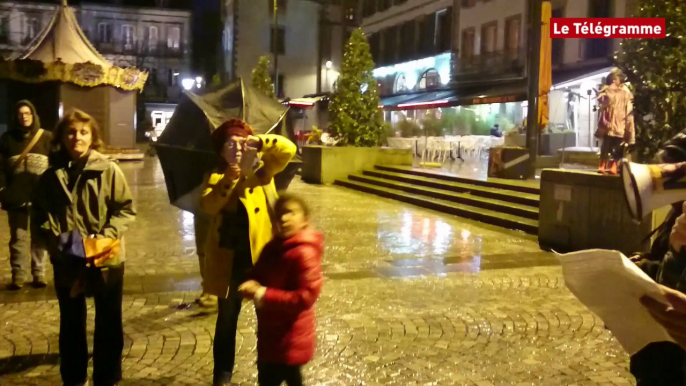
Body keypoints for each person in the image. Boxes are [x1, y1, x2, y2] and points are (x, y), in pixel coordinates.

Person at [31, 109, 136, 386]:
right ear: (62, 137)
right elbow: (39, 217)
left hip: (106, 257)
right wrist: (56, 240)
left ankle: (107, 377)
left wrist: (104, 238)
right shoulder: (50, 177)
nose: (77, 137)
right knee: (71, 323)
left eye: (83, 132)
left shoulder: (109, 170)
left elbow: (125, 210)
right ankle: (74, 377)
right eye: (71, 132)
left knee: (109, 321)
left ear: (92, 137)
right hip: (68, 259)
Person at [200, 118, 296, 386]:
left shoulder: (263, 172)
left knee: (268, 322)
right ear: (221, 151)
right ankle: (222, 376)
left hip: (261, 261)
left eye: (242, 143)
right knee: (227, 322)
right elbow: (207, 206)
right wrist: (228, 181)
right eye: (231, 144)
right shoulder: (215, 176)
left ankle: (270, 374)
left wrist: (261, 141)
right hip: (229, 261)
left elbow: (287, 150)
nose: (238, 148)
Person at [238, 193, 323, 386]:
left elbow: (305, 297)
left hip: (290, 335)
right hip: (271, 332)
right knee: (288, 377)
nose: (283, 219)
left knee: (272, 376)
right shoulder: (273, 247)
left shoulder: (305, 252)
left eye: (290, 213)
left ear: (305, 220)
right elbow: (259, 271)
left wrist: (262, 293)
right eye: (278, 215)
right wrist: (250, 281)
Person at [0, 100, 52, 290]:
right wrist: (3, 190)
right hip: (16, 196)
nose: (24, 117)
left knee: (39, 237)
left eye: (28, 113)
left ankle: (39, 273)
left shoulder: (46, 138)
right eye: (21, 114)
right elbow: (1, 168)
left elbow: (55, 166)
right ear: (16, 116)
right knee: (18, 238)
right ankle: (18, 275)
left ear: (33, 115)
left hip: (40, 197)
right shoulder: (7, 139)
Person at [595, 71, 635, 175]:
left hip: (620, 124)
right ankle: (602, 165)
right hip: (608, 124)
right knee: (605, 146)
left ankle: (613, 166)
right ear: (613, 80)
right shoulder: (606, 91)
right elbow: (605, 102)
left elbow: (629, 110)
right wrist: (610, 90)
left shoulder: (626, 93)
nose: (619, 80)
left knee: (617, 148)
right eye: (617, 78)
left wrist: (629, 127)